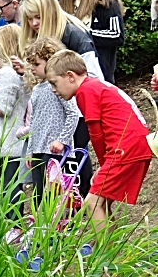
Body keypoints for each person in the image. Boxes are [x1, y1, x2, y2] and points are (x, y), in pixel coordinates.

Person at [45, 50, 152, 231]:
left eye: (54, 83)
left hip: (125, 148)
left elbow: (95, 133)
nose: (54, 90)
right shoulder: (95, 85)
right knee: (102, 202)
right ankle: (113, 250)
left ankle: (105, 255)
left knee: (92, 203)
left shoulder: (85, 91)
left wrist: (103, 165)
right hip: (135, 145)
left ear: (70, 76)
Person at [19, 0, 102, 197]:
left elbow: (93, 74)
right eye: (30, 19)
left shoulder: (73, 33)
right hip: (55, 114)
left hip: (80, 107)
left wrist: (63, 83)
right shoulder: (42, 43)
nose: (35, 23)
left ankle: (83, 202)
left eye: (38, 17)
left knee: (74, 160)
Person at [21, 37, 80, 207]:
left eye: (36, 64)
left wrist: (62, 140)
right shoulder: (38, 89)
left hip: (56, 151)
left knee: (57, 196)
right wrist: (30, 149)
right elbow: (34, 121)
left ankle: (60, 229)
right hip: (39, 149)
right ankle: (43, 229)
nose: (32, 68)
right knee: (39, 195)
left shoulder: (59, 86)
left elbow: (72, 113)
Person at [53, 0, 125, 84]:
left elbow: (117, 35)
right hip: (67, 78)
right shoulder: (62, 0)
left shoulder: (106, 0)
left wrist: (82, 35)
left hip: (98, 75)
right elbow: (51, 24)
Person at [0, 25, 30, 223]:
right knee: (6, 183)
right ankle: (9, 222)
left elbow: (4, 108)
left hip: (10, 140)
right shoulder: (13, 73)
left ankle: (13, 224)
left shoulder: (6, 73)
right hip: (11, 139)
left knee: (9, 185)